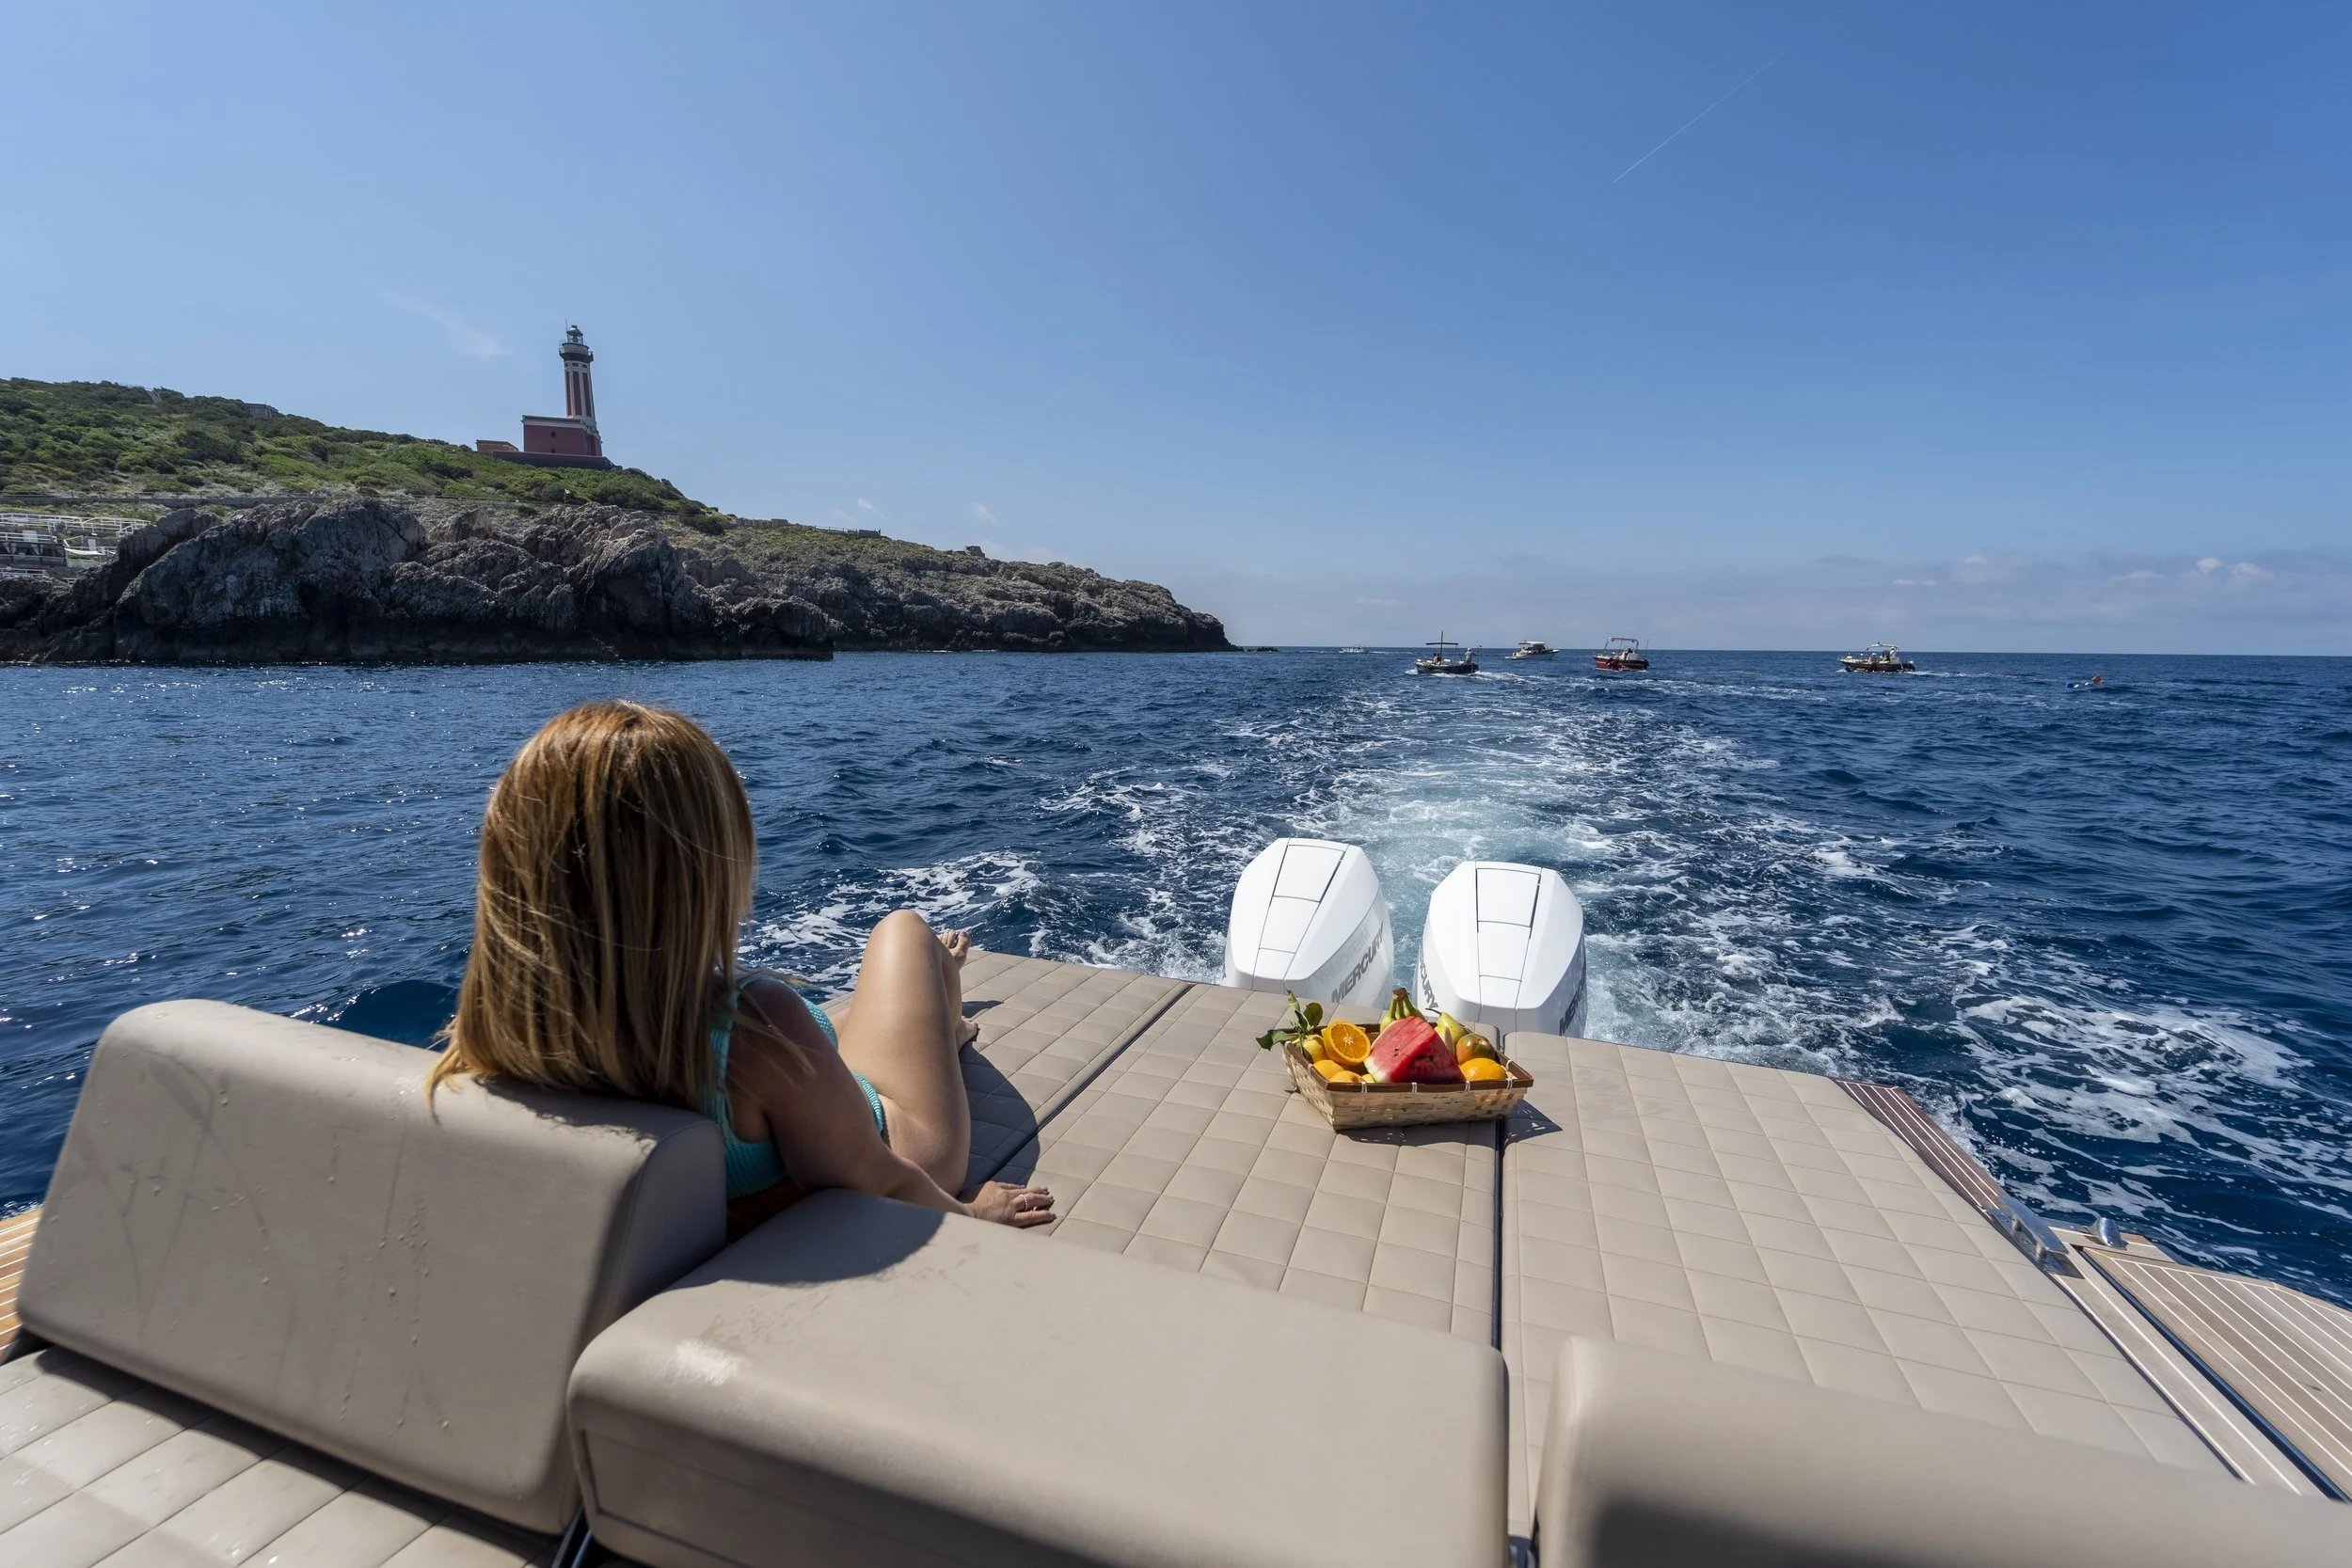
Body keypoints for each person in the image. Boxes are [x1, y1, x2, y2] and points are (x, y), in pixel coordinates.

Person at [427, 699, 1054, 1234]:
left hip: (804, 1104)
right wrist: (973, 1215)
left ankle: (939, 1003)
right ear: (702, 880)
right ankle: (949, 1016)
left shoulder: (503, 1043)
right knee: (903, 931)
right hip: (900, 1142)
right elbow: (883, 1182)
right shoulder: (752, 1029)